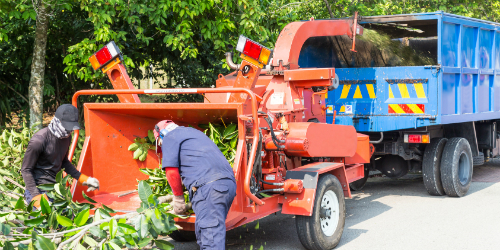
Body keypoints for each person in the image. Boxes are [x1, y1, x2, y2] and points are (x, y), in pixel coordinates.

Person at [154, 120, 236, 250]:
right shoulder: (194, 133)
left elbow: (171, 171)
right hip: (226, 185)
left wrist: (179, 198)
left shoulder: (170, 136)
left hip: (209, 187)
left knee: (210, 240)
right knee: (204, 234)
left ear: (162, 134)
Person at [21, 104, 100, 208]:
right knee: (44, 222)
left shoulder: (66, 137)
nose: (69, 131)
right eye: (67, 127)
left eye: (71, 128)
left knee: (67, 219)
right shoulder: (39, 140)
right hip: (37, 188)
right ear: (58, 121)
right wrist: (36, 197)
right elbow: (26, 170)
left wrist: (83, 179)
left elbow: (64, 162)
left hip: (54, 189)